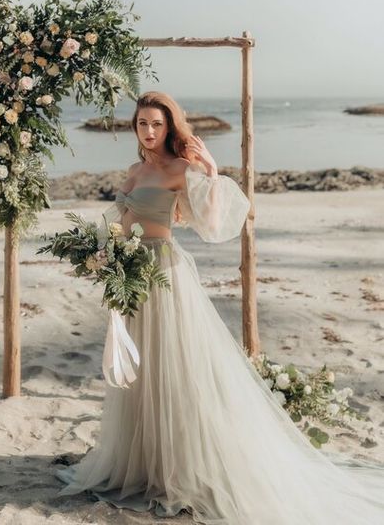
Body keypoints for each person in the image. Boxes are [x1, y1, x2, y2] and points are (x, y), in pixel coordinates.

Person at [55, 91, 384, 524]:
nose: (150, 132)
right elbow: (117, 223)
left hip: (164, 273)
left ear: (169, 127)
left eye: (157, 124)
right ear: (134, 127)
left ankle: (181, 468)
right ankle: (144, 463)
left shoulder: (180, 168)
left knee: (175, 369)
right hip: (131, 277)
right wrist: (101, 255)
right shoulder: (134, 171)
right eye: (142, 124)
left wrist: (210, 170)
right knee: (141, 371)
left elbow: (214, 224)